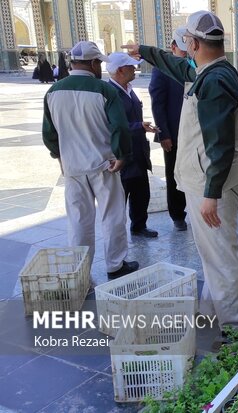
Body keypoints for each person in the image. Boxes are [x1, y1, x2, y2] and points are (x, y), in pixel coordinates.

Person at [123, 10, 238, 331]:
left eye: (186, 42)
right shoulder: (209, 71)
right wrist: (146, 51)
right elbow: (178, 67)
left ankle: (231, 328)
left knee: (221, 257)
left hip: (212, 185)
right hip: (206, 181)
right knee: (213, 257)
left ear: (193, 43)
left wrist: (211, 194)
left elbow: (218, 145)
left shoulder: (215, 81)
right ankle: (212, 318)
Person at [42, 41, 139, 280]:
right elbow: (119, 128)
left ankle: (80, 271)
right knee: (112, 216)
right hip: (104, 164)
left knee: (78, 220)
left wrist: (59, 155)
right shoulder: (104, 90)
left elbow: (49, 133)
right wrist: (122, 155)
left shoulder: (53, 91)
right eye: (99, 63)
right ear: (94, 63)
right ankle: (115, 265)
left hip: (73, 167)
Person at [107, 52, 159, 239]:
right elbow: (111, 125)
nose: (134, 69)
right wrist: (138, 126)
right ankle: (116, 233)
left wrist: (142, 126)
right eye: (131, 66)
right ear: (120, 70)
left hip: (138, 151)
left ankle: (139, 226)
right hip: (122, 154)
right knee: (121, 196)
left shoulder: (128, 89)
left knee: (141, 192)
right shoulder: (109, 93)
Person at [148, 27, 189, 232]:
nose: (186, 53)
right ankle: (177, 214)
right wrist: (163, 134)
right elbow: (158, 104)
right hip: (173, 134)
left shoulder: (194, 66)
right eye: (182, 49)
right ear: (173, 47)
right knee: (174, 175)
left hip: (194, 134)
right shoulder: (161, 70)